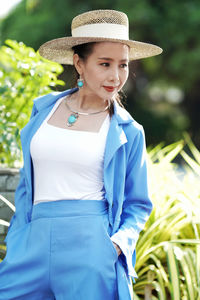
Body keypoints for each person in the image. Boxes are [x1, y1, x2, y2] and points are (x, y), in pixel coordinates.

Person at [0, 9, 162, 300]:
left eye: (123, 65)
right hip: (30, 244)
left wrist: (115, 245)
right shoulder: (43, 111)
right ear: (79, 63)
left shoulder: (128, 131)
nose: (116, 76)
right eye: (105, 63)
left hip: (90, 249)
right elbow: (28, 180)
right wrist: (18, 235)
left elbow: (138, 204)